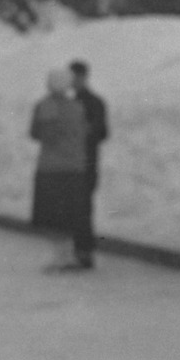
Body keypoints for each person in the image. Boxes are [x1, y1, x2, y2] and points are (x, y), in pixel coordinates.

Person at [29, 69, 92, 271]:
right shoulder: (77, 106)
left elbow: (41, 134)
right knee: (68, 215)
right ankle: (68, 256)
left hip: (52, 168)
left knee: (53, 216)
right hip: (76, 167)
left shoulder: (46, 105)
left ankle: (61, 257)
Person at [69, 58, 109, 227]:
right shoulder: (68, 103)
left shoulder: (95, 102)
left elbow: (103, 133)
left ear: (85, 77)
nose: (74, 80)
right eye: (72, 77)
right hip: (70, 164)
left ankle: (83, 250)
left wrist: (85, 131)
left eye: (78, 76)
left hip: (86, 164)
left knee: (83, 211)